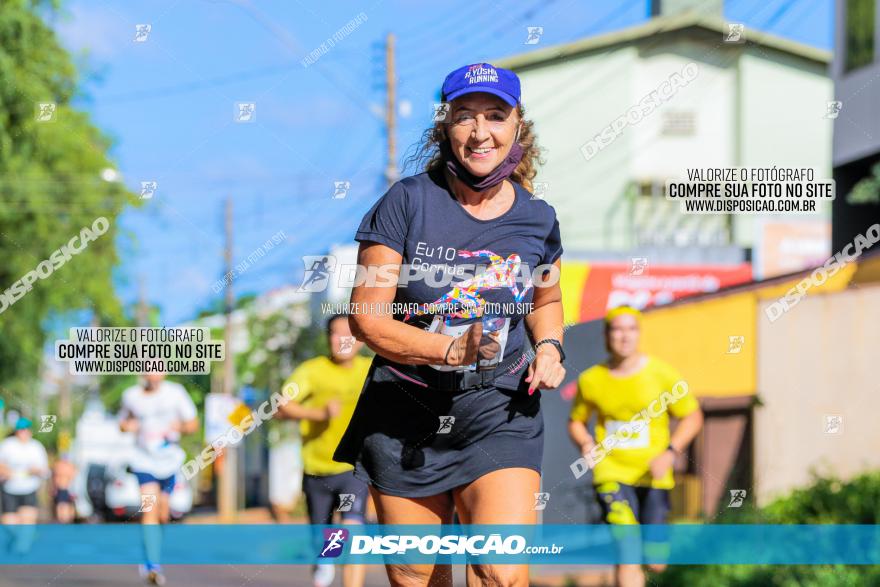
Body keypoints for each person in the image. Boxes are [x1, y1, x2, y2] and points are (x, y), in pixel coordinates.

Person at [333, 62, 565, 586]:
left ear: (516, 125)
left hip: (499, 407)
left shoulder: (538, 219)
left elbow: (545, 300)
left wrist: (549, 346)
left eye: (495, 116)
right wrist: (449, 351)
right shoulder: (407, 202)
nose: (480, 132)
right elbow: (366, 319)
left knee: (500, 572)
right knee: (419, 576)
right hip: (405, 407)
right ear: (445, 126)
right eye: (465, 117)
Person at [568, 306, 704, 587]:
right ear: (607, 335)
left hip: (654, 474)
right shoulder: (591, 379)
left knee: (656, 561)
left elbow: (692, 416)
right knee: (627, 550)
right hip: (611, 473)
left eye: (631, 329)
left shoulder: (662, 374)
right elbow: (576, 421)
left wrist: (670, 452)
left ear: (639, 334)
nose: (624, 336)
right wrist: (585, 442)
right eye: (617, 329)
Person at [277, 313, 372, 587]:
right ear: (328, 339)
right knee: (323, 538)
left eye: (348, 333)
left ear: (359, 340)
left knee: (354, 530)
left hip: (353, 468)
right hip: (317, 469)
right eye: (335, 333)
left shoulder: (370, 369)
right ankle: (324, 559)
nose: (342, 340)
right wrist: (318, 413)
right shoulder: (312, 370)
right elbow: (282, 405)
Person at [119, 372, 199, 586]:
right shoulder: (131, 396)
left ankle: (152, 553)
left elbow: (193, 424)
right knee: (149, 511)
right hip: (143, 462)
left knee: (163, 514)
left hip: (170, 462)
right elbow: (122, 423)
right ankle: (151, 564)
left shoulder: (176, 393)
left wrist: (180, 427)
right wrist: (127, 426)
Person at [0, 418, 49, 525]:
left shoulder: (36, 447)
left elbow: (45, 470)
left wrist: (36, 471)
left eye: (26, 429)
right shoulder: (7, 445)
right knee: (10, 525)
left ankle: (26, 538)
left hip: (29, 490)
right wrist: (4, 471)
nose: (24, 432)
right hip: (9, 490)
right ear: (16, 431)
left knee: (26, 526)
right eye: (21, 429)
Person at [51, 453, 76, 523]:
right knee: (62, 508)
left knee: (66, 508)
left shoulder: (66, 466)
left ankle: (65, 524)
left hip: (67, 489)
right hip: (62, 489)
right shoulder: (60, 465)